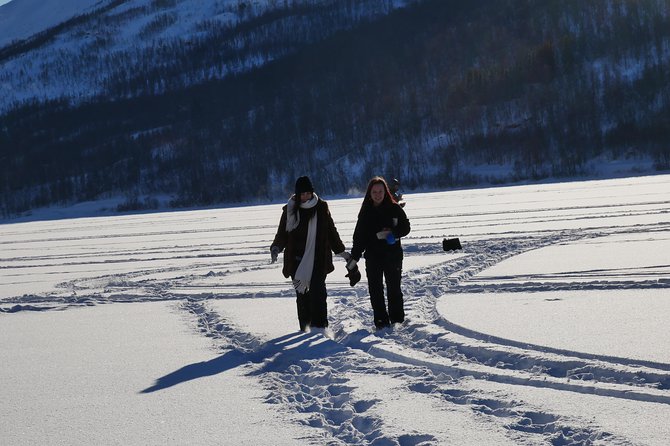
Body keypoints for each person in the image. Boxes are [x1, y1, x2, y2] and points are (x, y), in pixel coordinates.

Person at [270, 176, 350, 332]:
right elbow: (282, 234)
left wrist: (341, 251)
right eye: (302, 194)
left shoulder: (321, 207)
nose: (305, 197)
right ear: (297, 195)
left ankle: (319, 329)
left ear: (312, 192)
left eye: (308, 193)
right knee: (303, 297)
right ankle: (305, 329)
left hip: (318, 260)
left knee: (319, 295)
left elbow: (331, 232)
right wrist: (276, 248)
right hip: (297, 261)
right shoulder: (290, 209)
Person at [349, 176, 411, 329]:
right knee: (375, 290)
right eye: (374, 191)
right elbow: (359, 239)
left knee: (394, 288)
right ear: (369, 193)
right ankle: (381, 322)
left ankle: (397, 320)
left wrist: (393, 233)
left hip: (393, 256)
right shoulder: (365, 213)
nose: (377, 194)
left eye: (380, 191)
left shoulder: (394, 208)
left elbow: (406, 227)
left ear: (385, 192)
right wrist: (353, 260)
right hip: (373, 257)